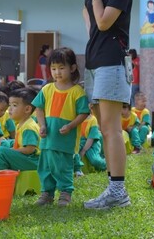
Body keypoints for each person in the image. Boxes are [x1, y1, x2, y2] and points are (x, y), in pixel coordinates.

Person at [80, 0, 133, 210]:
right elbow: (86, 14)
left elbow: (101, 23)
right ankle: (113, 189)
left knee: (112, 129)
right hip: (94, 62)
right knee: (104, 127)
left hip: (112, 62)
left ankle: (118, 191)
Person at [32, 47, 90, 207]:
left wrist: (71, 126)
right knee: (45, 165)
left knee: (63, 166)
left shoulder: (77, 92)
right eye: (53, 68)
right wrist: (42, 125)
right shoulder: (46, 89)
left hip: (65, 139)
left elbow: (84, 113)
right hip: (47, 138)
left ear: (72, 68)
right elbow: (39, 108)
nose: (57, 72)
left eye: (61, 68)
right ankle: (46, 193)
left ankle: (65, 193)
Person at [0, 87, 40, 171]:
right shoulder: (22, 123)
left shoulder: (28, 127)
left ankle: (1, 176)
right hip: (28, 158)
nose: (10, 109)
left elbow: (30, 149)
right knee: (3, 143)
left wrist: (12, 150)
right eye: (10, 105)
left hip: (33, 160)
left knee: (1, 152)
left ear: (27, 109)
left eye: (14, 105)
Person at [74, 105, 107, 176]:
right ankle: (77, 170)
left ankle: (106, 164)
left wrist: (84, 150)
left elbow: (91, 138)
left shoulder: (92, 119)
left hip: (91, 144)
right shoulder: (75, 117)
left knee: (95, 161)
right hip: (79, 142)